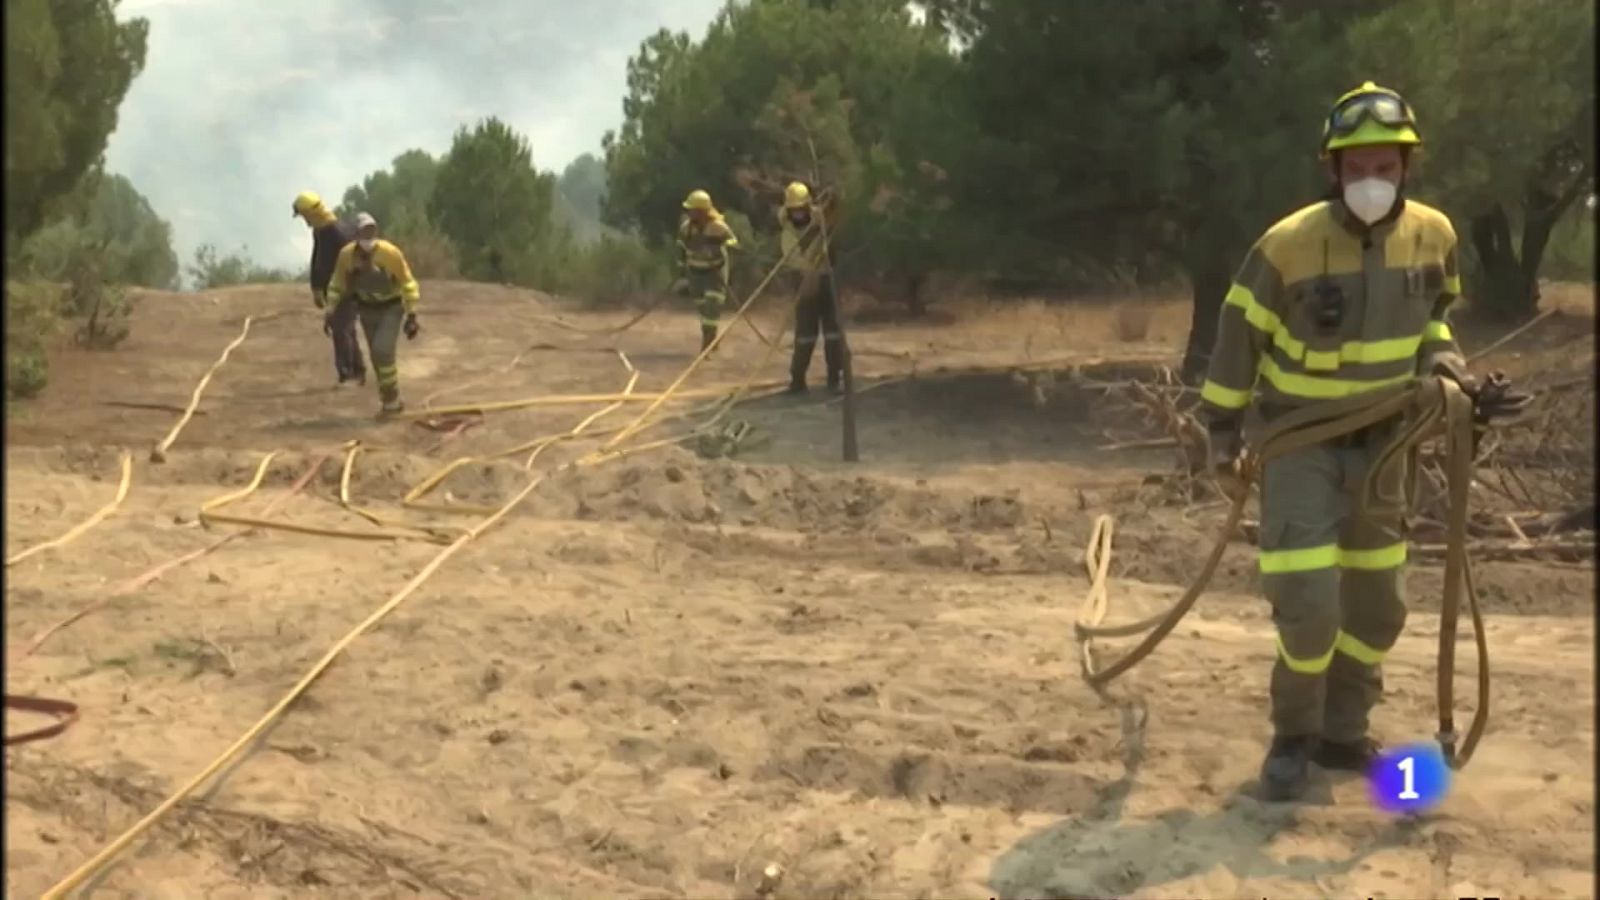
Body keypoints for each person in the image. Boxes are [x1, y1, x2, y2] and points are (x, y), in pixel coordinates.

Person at [1198, 81, 1480, 801]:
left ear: (1406, 170)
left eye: (1385, 169)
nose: (1371, 184)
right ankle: (1293, 734)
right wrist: (1221, 430)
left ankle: (1343, 732)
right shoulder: (1287, 246)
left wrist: (1446, 368)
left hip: (1388, 447)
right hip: (1302, 444)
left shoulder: (1435, 236)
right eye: (1356, 170)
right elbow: (1238, 335)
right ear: (1332, 171)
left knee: (1379, 606)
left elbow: (1435, 320)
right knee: (1310, 602)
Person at [326, 213, 421, 417]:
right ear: (355, 234)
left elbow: (407, 282)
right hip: (366, 310)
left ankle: (391, 399)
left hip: (391, 309)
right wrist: (330, 310)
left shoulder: (390, 253)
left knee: (382, 351)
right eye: (363, 231)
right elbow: (337, 284)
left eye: (371, 230)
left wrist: (412, 315)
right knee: (377, 359)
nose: (368, 235)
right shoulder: (346, 256)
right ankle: (388, 402)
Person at [292, 190, 365, 385]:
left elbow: (354, 263)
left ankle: (350, 374)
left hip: (345, 289)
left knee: (342, 330)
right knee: (344, 329)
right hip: (333, 290)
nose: (304, 221)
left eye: (304, 216)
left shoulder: (338, 233)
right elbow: (318, 260)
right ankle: (356, 370)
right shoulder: (321, 231)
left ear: (312, 213)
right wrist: (316, 288)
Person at [777, 181, 843, 394]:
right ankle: (797, 381)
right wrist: (809, 268)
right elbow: (794, 259)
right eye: (793, 210)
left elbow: (835, 221)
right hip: (805, 282)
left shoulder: (821, 220)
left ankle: (835, 377)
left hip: (827, 281)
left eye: (800, 209)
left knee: (833, 332)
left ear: (807, 207)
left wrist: (834, 205)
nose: (797, 214)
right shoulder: (788, 233)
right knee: (805, 335)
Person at [673, 189, 740, 353]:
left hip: (715, 273)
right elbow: (680, 247)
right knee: (704, 311)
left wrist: (727, 245)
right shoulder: (686, 229)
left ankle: (707, 347)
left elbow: (733, 241)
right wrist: (681, 268)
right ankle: (712, 342)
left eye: (693, 210)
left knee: (712, 309)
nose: (690, 213)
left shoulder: (718, 227)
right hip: (695, 274)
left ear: (702, 211)